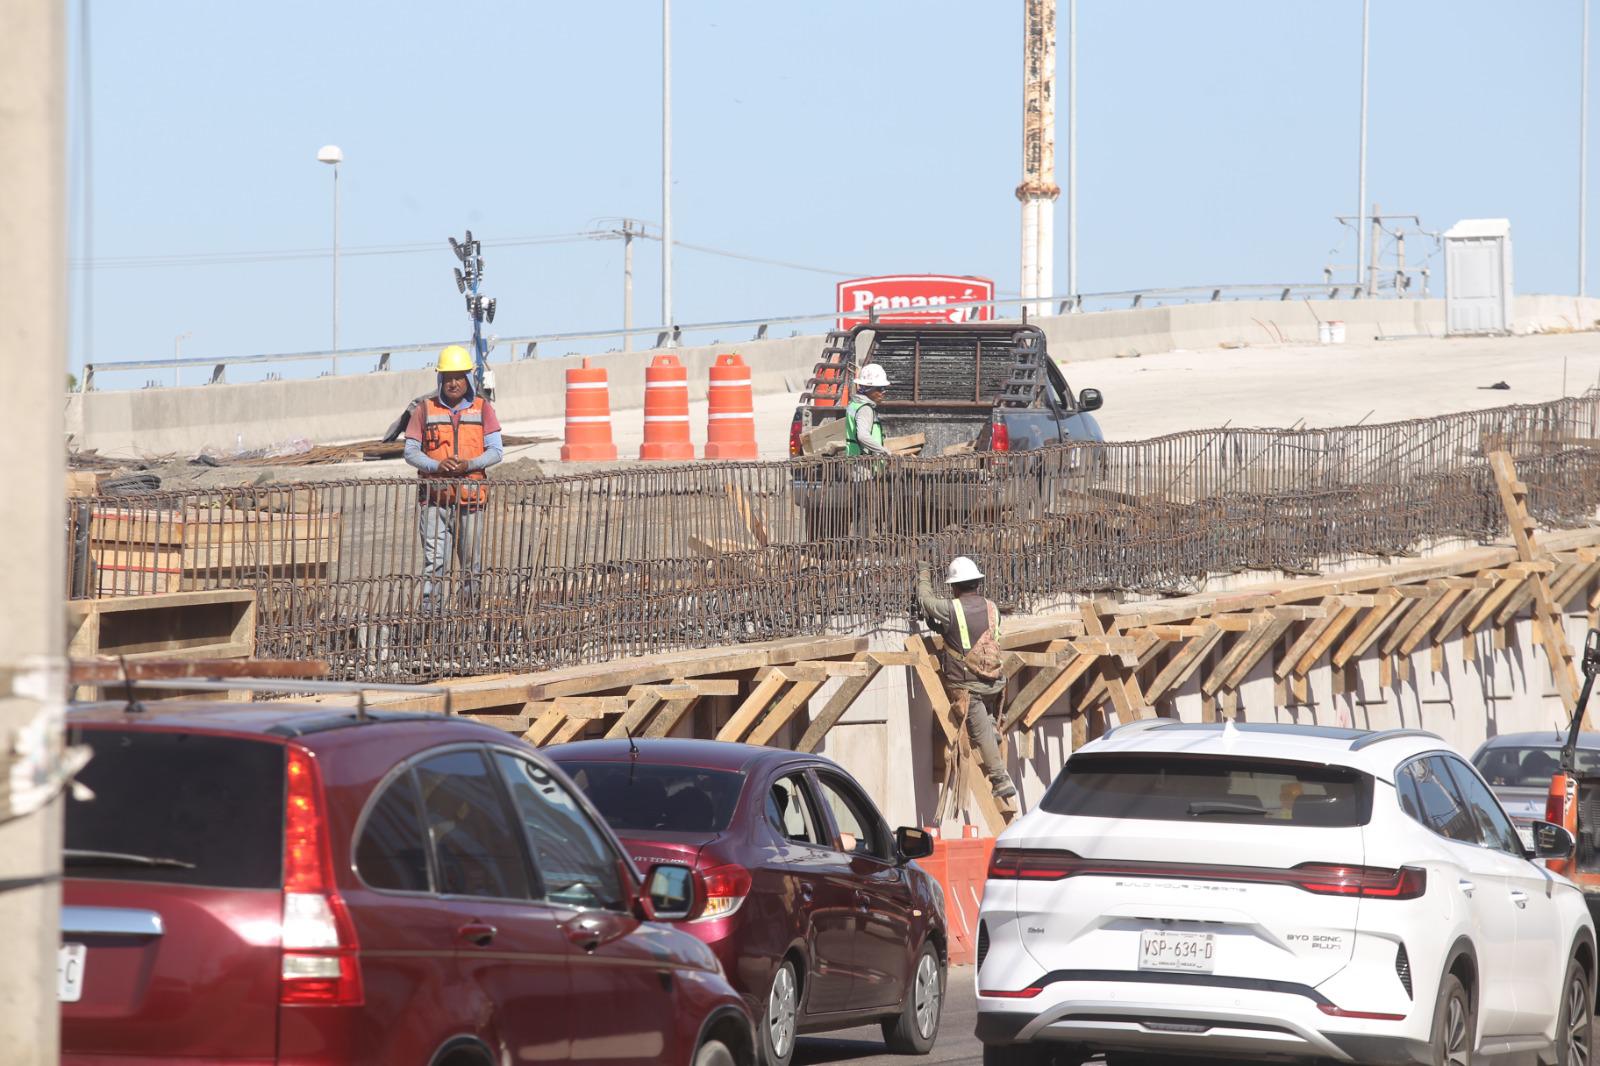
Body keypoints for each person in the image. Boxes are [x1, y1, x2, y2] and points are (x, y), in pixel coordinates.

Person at [404, 344, 503, 610]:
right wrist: (437, 466)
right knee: (434, 563)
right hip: (436, 499)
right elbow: (411, 451)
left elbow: (496, 451)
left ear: (468, 378)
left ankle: (469, 614)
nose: (453, 382)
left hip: (471, 500)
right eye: (448, 377)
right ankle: (431, 616)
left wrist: (469, 464)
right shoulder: (424, 410)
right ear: (440, 379)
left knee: (471, 564)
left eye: (459, 376)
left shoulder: (483, 409)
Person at [916, 555, 1018, 801]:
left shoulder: (951, 608)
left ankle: (1000, 778)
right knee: (987, 719)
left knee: (980, 732)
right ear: (977, 583)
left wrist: (923, 572)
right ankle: (993, 723)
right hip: (995, 684)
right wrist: (941, 627)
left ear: (955, 586)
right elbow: (973, 636)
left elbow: (925, 600)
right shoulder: (993, 608)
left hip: (966, 686)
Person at [845, 363, 892, 457]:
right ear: (867, 389)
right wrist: (883, 451)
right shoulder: (865, 408)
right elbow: (862, 436)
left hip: (855, 461)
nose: (883, 392)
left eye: (884, 389)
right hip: (864, 464)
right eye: (879, 388)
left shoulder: (854, 404)